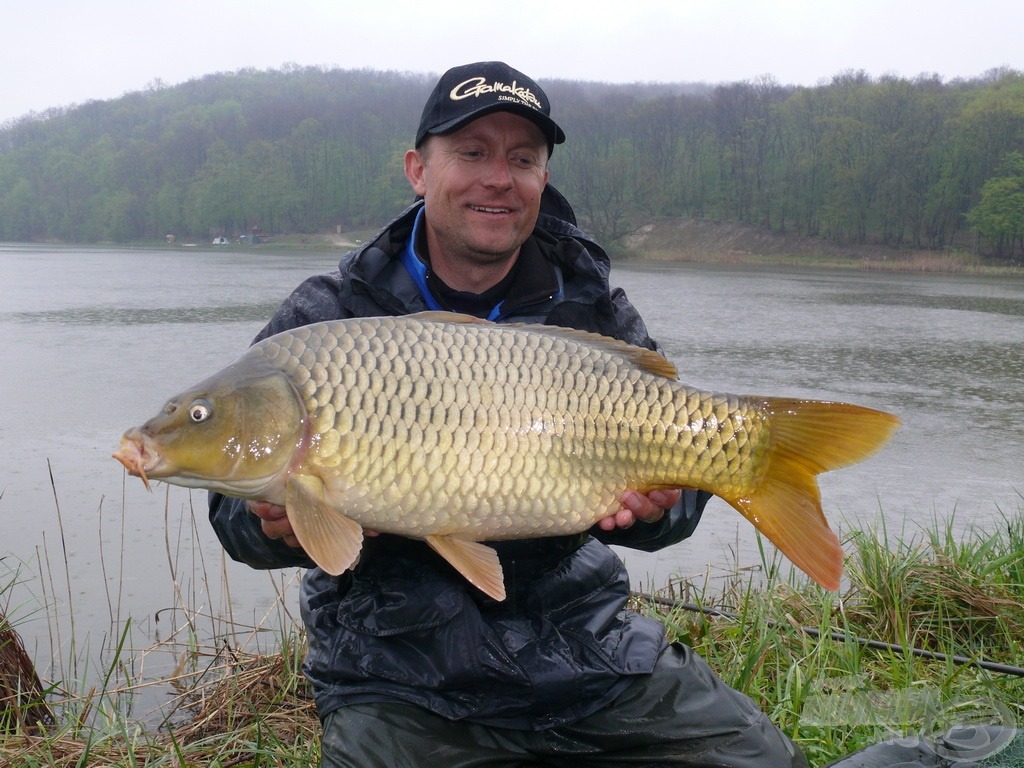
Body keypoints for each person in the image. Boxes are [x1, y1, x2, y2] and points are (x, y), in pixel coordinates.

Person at [210, 61, 1008, 768]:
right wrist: (267, 523)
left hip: (581, 648)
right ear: (419, 169)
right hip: (397, 677)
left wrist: (662, 506)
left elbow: (673, 513)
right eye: (473, 152)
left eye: (522, 158)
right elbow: (231, 511)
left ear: (543, 175)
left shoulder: (591, 304)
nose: (499, 177)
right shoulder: (327, 320)